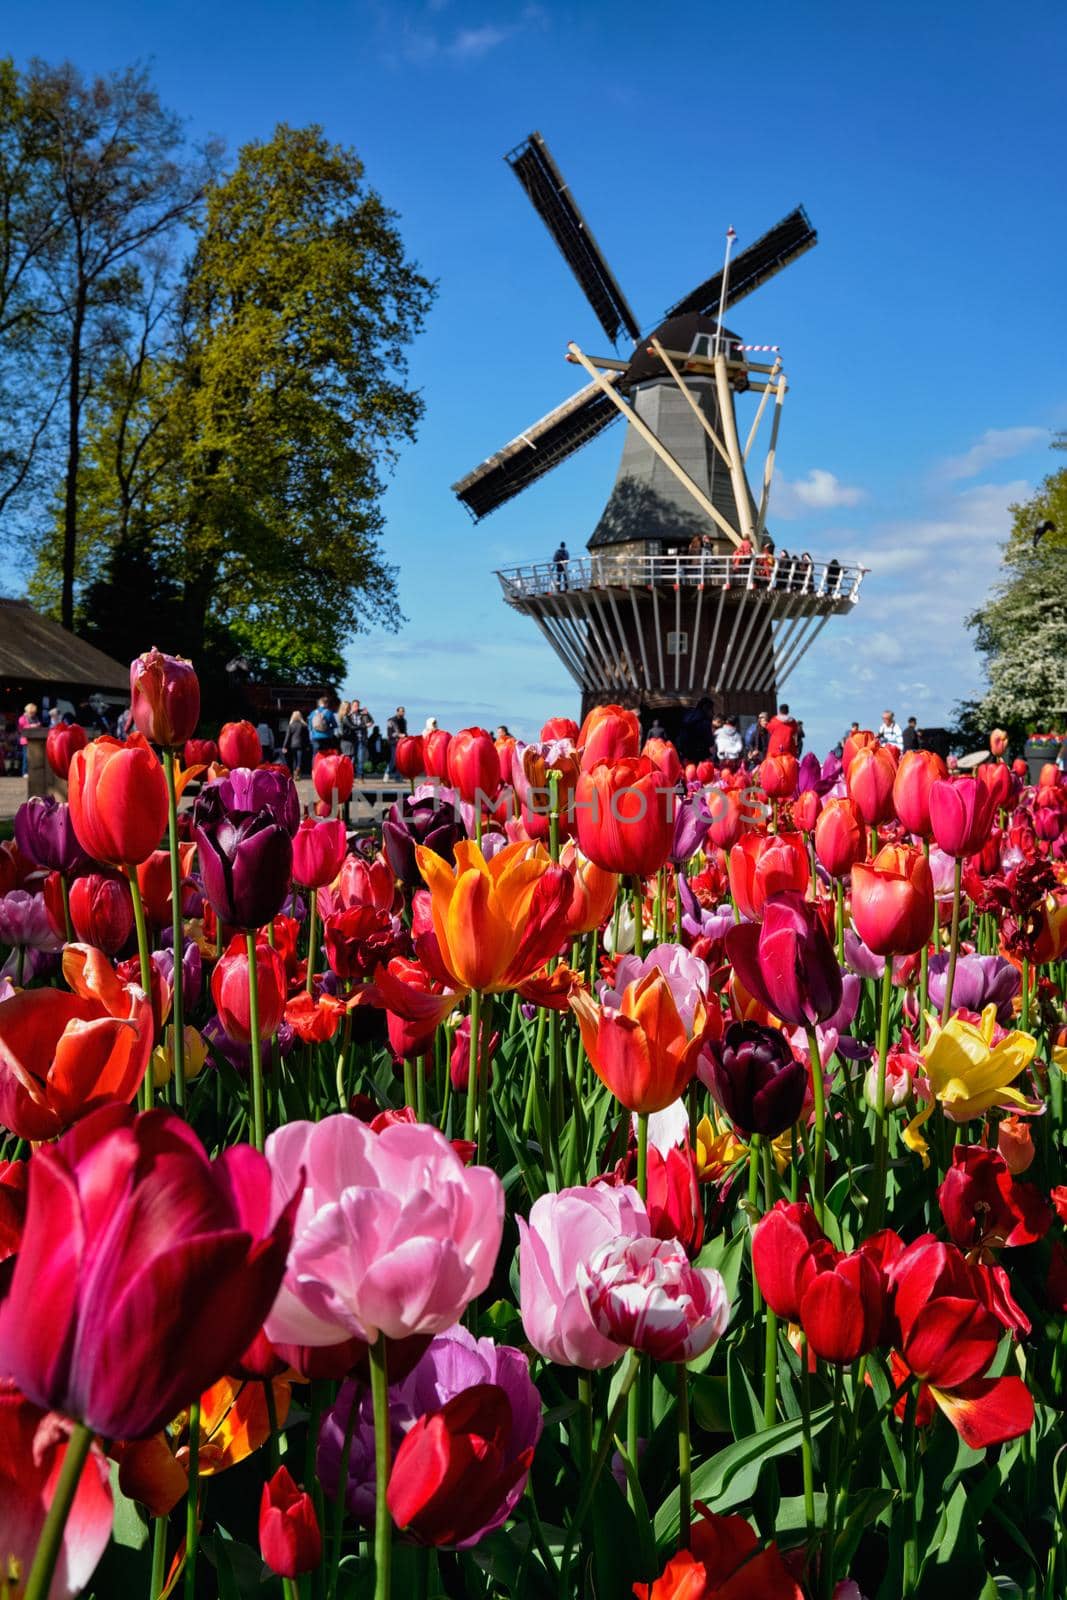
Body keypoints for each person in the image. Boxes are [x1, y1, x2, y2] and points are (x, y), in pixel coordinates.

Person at [309, 695, 337, 761]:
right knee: (326, 754)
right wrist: (328, 728)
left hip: (315, 736)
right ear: (326, 704)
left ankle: (314, 769)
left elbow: (310, 726)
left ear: (319, 704)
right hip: (326, 737)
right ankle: (325, 769)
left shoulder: (313, 713)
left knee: (315, 754)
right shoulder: (329, 712)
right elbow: (335, 725)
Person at [283, 710, 308, 777]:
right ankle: (298, 771)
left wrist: (284, 746)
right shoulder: (304, 725)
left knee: (294, 759)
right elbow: (306, 737)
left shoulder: (290, 725)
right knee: (300, 759)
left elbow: (287, 737)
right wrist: (307, 745)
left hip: (293, 745)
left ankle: (295, 773)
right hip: (301, 744)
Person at [17, 702, 40, 775]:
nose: (33, 714)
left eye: (34, 712)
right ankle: (25, 772)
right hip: (26, 741)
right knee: (26, 757)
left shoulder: (35, 718)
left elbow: (39, 724)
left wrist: (38, 725)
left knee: (34, 757)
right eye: (31, 712)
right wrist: (31, 726)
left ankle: (33, 771)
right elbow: (20, 729)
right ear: (27, 711)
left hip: (35, 740)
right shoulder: (22, 718)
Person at [386, 706, 407, 779]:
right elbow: (389, 733)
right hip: (393, 742)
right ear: (397, 712)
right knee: (394, 759)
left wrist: (406, 737)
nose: (402, 713)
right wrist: (398, 735)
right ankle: (387, 773)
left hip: (401, 743)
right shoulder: (391, 720)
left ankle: (398, 776)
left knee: (400, 760)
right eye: (401, 711)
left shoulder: (404, 721)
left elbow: (405, 732)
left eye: (403, 711)